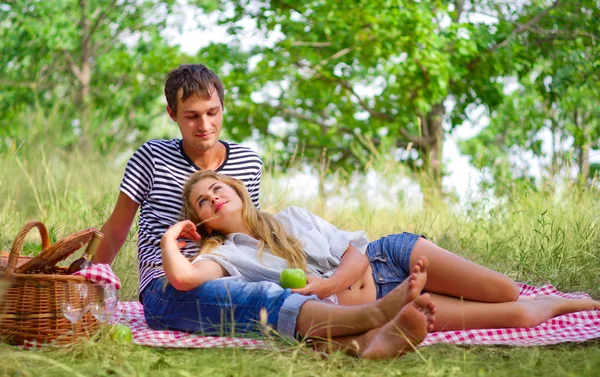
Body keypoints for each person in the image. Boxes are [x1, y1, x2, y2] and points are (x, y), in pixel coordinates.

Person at [92, 63, 434, 359]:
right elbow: (118, 229)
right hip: (169, 284)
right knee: (256, 297)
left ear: (223, 107)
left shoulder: (247, 161)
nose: (205, 125)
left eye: (212, 112)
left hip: (234, 268)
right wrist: (88, 285)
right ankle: (371, 318)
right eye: (192, 116)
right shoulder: (150, 157)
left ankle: (359, 342)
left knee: (264, 290)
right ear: (172, 114)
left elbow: (248, 235)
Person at [161, 170, 600, 339]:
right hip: (384, 304)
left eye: (217, 188)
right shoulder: (228, 256)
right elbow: (182, 279)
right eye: (202, 201)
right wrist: (170, 239)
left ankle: (570, 299)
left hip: (392, 259)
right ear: (203, 222)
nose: (213, 197)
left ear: (236, 190)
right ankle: (564, 302)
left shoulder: (290, 218)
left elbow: (358, 250)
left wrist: (330, 285)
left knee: (504, 290)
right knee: (516, 316)